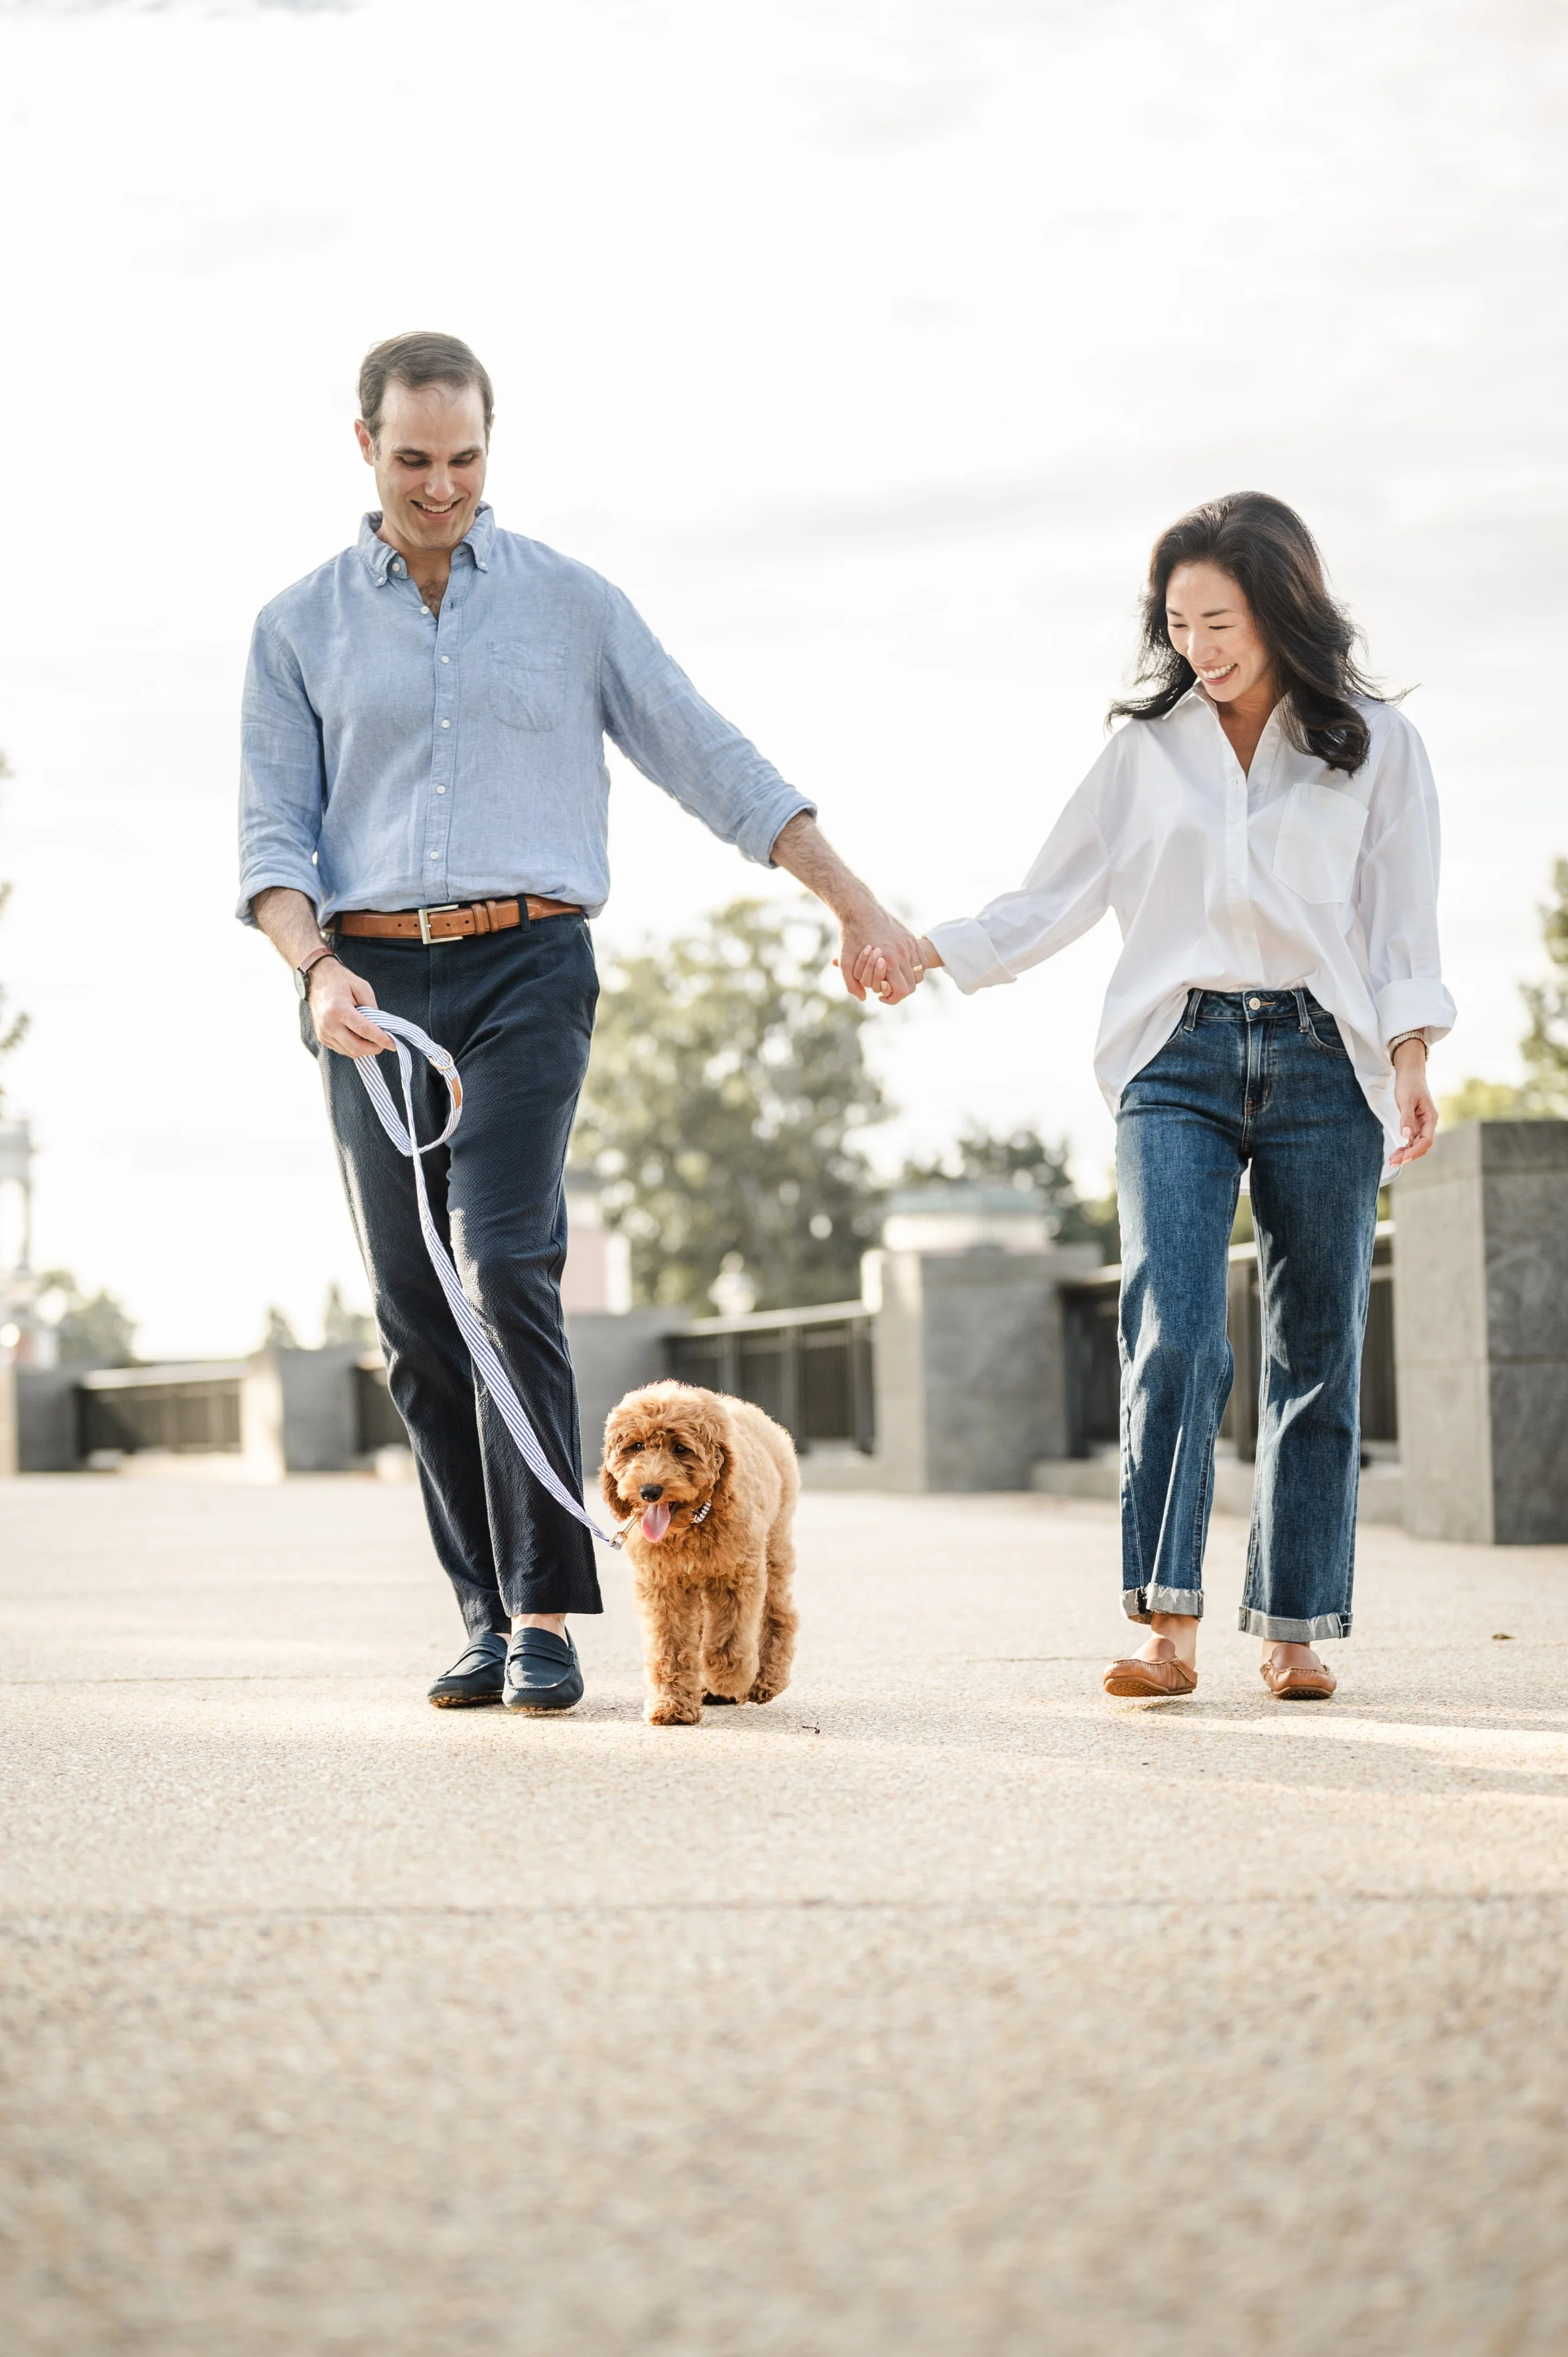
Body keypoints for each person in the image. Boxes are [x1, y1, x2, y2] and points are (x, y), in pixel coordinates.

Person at [240, 329, 921, 1716]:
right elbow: (272, 832)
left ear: (494, 445)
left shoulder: (570, 604)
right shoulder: (294, 626)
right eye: (414, 460)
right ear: (361, 445)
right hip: (365, 987)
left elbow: (709, 756)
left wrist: (853, 903)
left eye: (467, 459)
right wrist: (312, 969)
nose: (442, 488)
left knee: (505, 1267)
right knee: (415, 1318)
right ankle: (482, 1610)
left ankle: (548, 1611)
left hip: (528, 969)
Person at [861, 491, 1453, 1702]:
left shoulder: (1373, 742)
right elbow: (1053, 898)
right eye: (1179, 622)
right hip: (1173, 1058)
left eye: (1221, 619)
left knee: (1319, 1347)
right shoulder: (1145, 752)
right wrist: (928, 949)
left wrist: (1410, 1058)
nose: (1200, 645)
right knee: (1174, 1330)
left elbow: (1402, 919)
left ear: (1283, 605)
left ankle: (1294, 1628)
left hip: (1322, 1058)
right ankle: (1165, 1626)